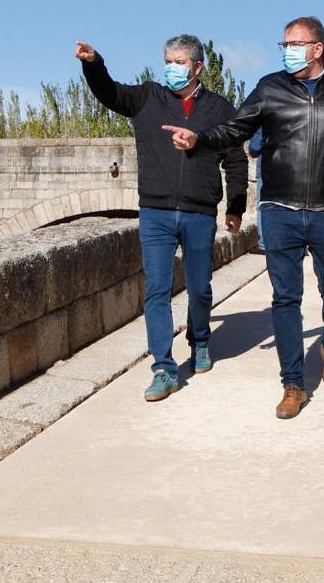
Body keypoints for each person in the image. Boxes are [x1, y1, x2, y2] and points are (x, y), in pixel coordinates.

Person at [165, 16, 324, 419]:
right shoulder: (270, 87)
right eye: (284, 44)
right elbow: (235, 129)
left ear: (318, 48)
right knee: (286, 298)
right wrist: (200, 139)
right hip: (279, 211)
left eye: (294, 43)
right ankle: (293, 383)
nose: (286, 50)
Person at [76, 35, 248, 401]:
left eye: (180, 61)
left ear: (198, 67)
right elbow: (109, 93)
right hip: (155, 212)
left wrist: (235, 207)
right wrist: (93, 64)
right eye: (168, 60)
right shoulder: (147, 98)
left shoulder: (219, 109)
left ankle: (200, 340)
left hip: (200, 213)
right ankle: (163, 368)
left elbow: (235, 159)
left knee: (200, 287)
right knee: (157, 291)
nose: (171, 67)